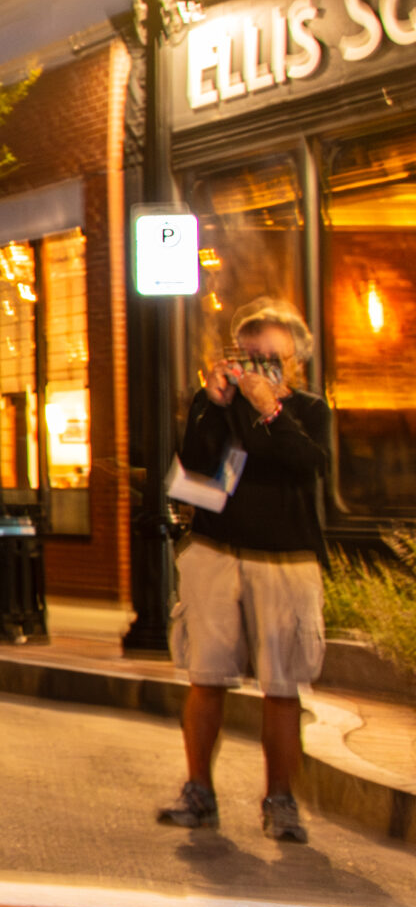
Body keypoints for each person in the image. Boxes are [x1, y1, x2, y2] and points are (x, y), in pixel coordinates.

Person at [157, 303, 330, 844]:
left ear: (296, 360)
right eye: (249, 356)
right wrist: (211, 403)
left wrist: (269, 411)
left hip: (285, 559)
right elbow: (192, 462)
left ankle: (281, 801)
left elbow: (308, 463)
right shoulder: (218, 406)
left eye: (271, 358)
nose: (258, 367)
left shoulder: (309, 409)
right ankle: (198, 792)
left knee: (281, 687)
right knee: (206, 678)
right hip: (216, 551)